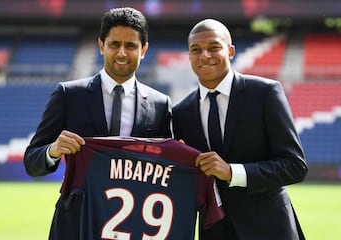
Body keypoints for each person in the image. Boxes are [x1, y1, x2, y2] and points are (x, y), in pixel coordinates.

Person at [23, 7, 172, 240]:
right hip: (76, 223)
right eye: (114, 44)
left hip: (134, 224)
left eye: (131, 46)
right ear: (101, 45)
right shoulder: (68, 94)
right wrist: (53, 150)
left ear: (144, 50)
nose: (122, 53)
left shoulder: (160, 104)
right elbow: (32, 162)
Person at [172, 19, 308, 240]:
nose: (204, 55)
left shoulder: (266, 94)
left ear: (231, 51)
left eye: (213, 47)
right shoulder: (181, 112)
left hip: (270, 229)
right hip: (213, 232)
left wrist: (233, 172)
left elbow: (295, 166)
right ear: (189, 57)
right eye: (196, 50)